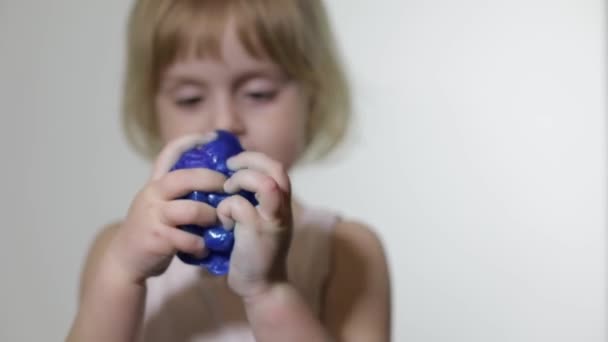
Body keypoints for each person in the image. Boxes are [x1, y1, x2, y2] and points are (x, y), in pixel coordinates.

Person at [67, 1, 390, 341]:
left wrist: (268, 291)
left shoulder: (346, 252)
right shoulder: (116, 251)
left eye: (258, 93)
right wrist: (121, 274)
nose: (224, 123)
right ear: (151, 107)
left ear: (314, 96)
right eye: (190, 98)